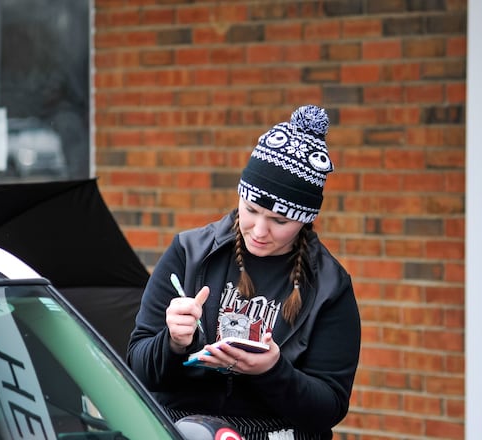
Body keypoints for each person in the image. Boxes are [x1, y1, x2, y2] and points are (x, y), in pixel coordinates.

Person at [126, 105, 361, 440]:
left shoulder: (329, 286)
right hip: (181, 431)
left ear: (305, 219)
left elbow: (330, 407)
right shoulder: (189, 252)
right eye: (251, 210)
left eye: (280, 220)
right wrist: (174, 343)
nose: (260, 230)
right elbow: (138, 368)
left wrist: (272, 372)